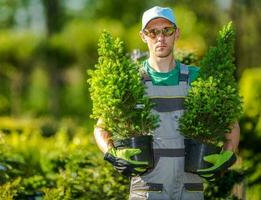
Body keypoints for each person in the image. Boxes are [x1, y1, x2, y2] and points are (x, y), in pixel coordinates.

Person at [93, 6, 240, 200]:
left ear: (176, 33)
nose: (160, 37)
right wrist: (111, 154)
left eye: (166, 30)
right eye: (152, 32)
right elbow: (101, 127)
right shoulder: (131, 81)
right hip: (147, 189)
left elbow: (231, 124)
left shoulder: (198, 78)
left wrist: (227, 155)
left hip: (190, 189)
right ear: (143, 36)